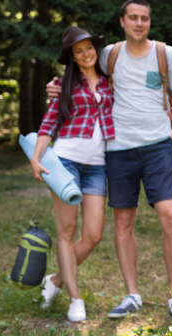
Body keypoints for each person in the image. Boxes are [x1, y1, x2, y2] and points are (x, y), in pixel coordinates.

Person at [46, 0, 172, 319]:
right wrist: (56, 87)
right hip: (117, 150)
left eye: (145, 18)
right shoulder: (109, 54)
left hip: (158, 148)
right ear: (122, 21)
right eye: (133, 17)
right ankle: (132, 295)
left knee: (169, 215)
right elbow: (80, 75)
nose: (140, 23)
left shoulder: (165, 54)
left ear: (149, 22)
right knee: (123, 221)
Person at [32, 26, 113, 322]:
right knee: (67, 233)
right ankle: (75, 299)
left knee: (92, 235)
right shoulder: (65, 86)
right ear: (72, 57)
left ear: (95, 49)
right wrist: (36, 159)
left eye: (88, 47)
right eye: (78, 51)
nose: (85, 54)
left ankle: (54, 281)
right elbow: (49, 124)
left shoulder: (109, 83)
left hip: (98, 165)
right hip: (65, 161)